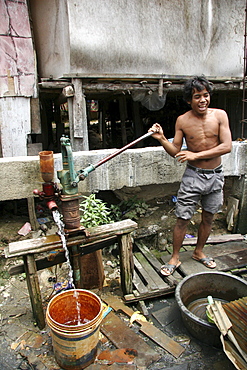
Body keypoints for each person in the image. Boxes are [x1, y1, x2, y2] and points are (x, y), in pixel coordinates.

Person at [149, 75, 232, 276]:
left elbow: (226, 146)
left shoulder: (220, 115)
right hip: (193, 176)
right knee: (182, 218)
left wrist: (196, 154)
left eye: (205, 95)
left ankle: (199, 252)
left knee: (209, 217)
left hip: (215, 176)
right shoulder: (183, 120)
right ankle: (175, 257)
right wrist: (161, 139)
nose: (202, 100)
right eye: (197, 96)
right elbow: (177, 151)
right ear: (189, 100)